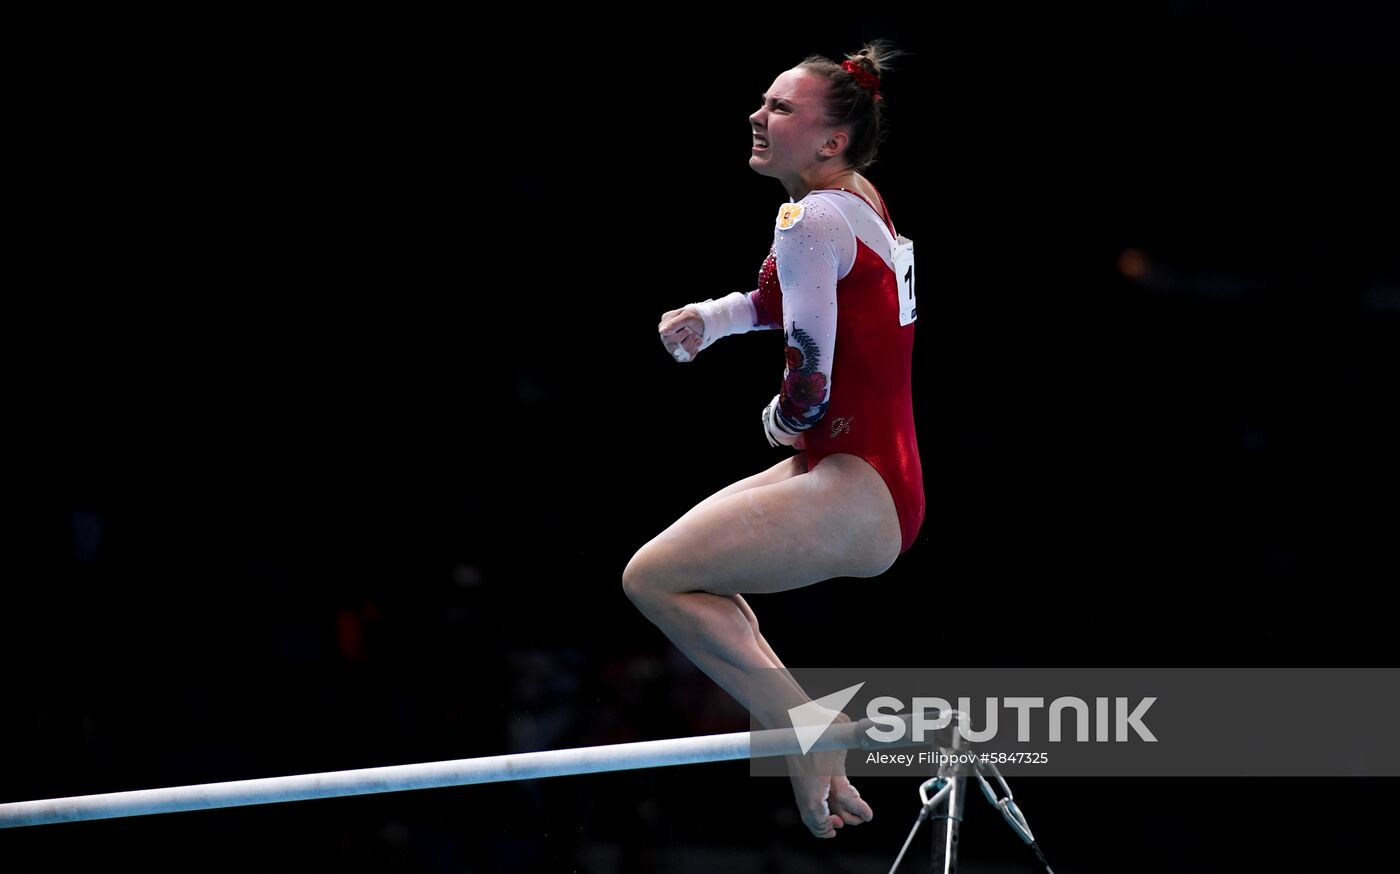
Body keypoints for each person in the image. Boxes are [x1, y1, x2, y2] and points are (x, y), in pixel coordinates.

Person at [622, 39, 923, 840]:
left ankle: (805, 728)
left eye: (781, 108)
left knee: (653, 579)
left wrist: (784, 419)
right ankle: (807, 739)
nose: (758, 116)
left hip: (855, 483)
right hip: (867, 474)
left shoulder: (809, 217)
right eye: (764, 103)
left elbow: (809, 377)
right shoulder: (853, 200)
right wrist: (712, 320)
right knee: (687, 582)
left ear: (831, 139)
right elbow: (786, 298)